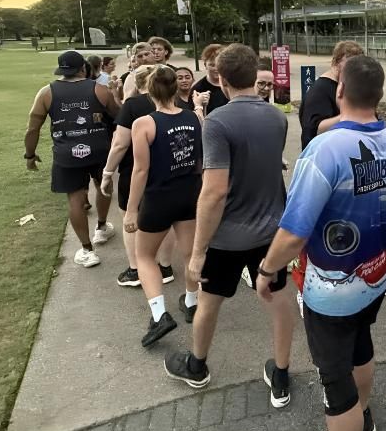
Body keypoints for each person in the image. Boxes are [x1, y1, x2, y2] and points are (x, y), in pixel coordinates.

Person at [255, 55, 386, 431]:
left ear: (340, 93)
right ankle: (365, 416)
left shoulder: (326, 149)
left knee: (334, 379)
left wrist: (266, 270)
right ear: (378, 96)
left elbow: (295, 229)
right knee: (360, 347)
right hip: (374, 273)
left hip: (331, 288)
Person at [165, 44, 296, 400]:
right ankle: (281, 374)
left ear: (220, 79)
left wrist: (197, 251)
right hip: (271, 231)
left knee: (209, 301)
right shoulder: (276, 117)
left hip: (226, 237)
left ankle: (197, 367)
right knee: (279, 299)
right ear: (255, 76)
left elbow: (213, 193)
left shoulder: (218, 123)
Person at [294, 40, 386, 302]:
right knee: (323, 229)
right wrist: (350, 116)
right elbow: (313, 127)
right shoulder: (321, 90)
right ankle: (306, 287)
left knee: (362, 223)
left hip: (350, 161)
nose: (353, 68)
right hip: (326, 164)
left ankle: (366, 276)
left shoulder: (353, 88)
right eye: (348, 63)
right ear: (337, 61)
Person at [124, 65, 204, 347]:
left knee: (144, 256)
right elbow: (198, 160)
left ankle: (159, 315)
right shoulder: (195, 117)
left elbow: (140, 170)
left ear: (150, 91)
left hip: (159, 197)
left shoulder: (144, 123)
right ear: (174, 89)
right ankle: (192, 302)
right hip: (189, 193)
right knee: (190, 253)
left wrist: (132, 209)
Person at [24, 50, 119, 267]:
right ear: (83, 68)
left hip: (67, 153)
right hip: (98, 149)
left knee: (75, 199)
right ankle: (102, 228)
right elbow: (118, 113)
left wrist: (30, 154)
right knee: (103, 186)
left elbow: (32, 128)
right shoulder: (99, 89)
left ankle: (87, 250)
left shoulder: (46, 93)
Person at [100, 65, 187, 288]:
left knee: (132, 218)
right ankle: (165, 265)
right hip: (173, 173)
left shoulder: (133, 106)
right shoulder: (182, 107)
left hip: (136, 171)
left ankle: (136, 268)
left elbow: (120, 144)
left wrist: (108, 172)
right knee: (166, 219)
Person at [192, 43, 229, 116]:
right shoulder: (198, 88)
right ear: (205, 65)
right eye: (212, 65)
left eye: (219, 64)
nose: (216, 69)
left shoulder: (232, 83)